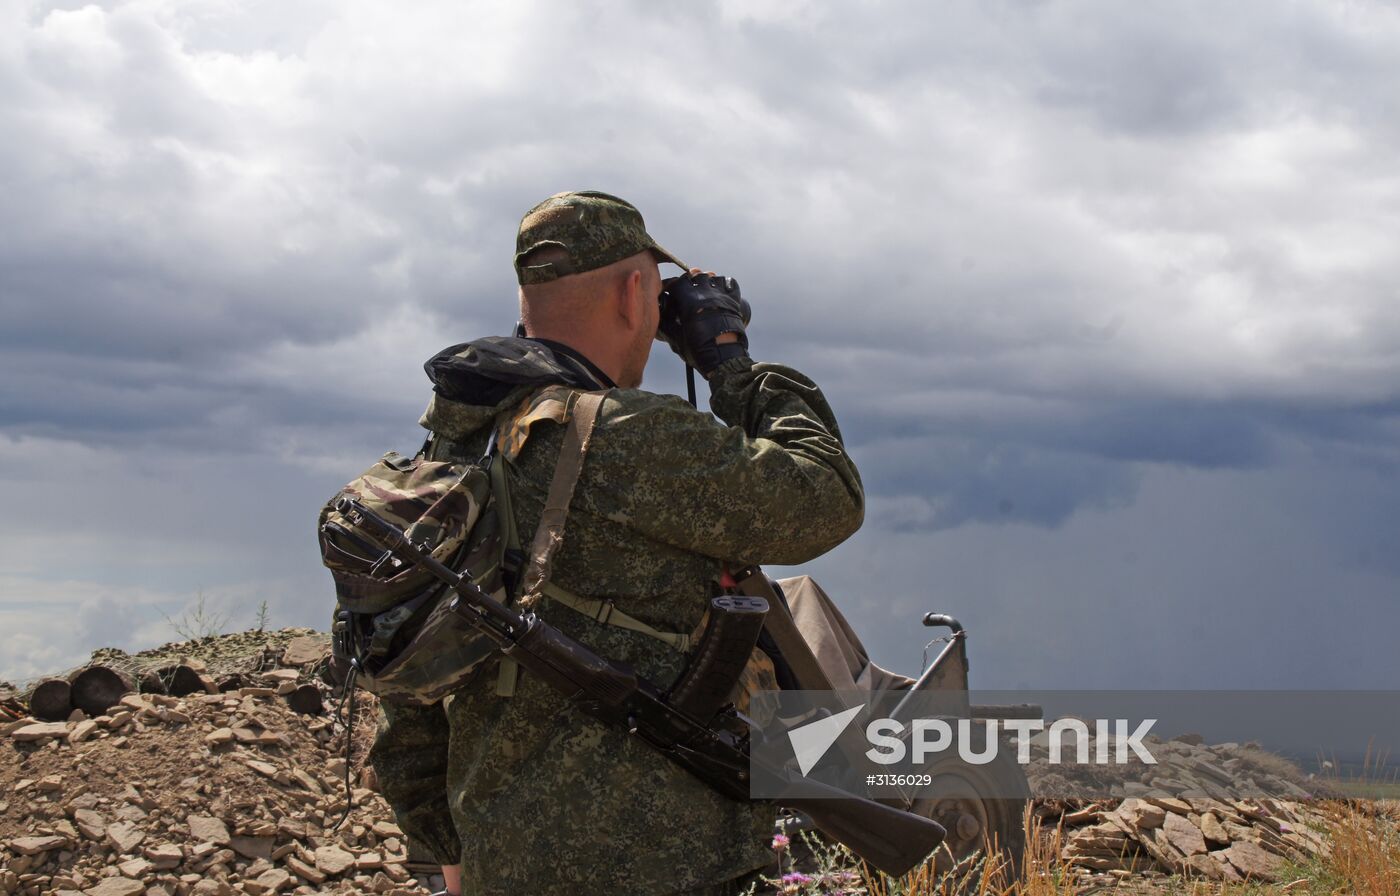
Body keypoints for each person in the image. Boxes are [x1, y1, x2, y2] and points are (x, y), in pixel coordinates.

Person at [368, 190, 865, 896]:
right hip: (664, 863)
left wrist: (445, 850)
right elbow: (827, 498)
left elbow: (404, 666)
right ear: (635, 294)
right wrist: (730, 365)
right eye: (659, 296)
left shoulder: (449, 449)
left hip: (498, 861)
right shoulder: (629, 438)